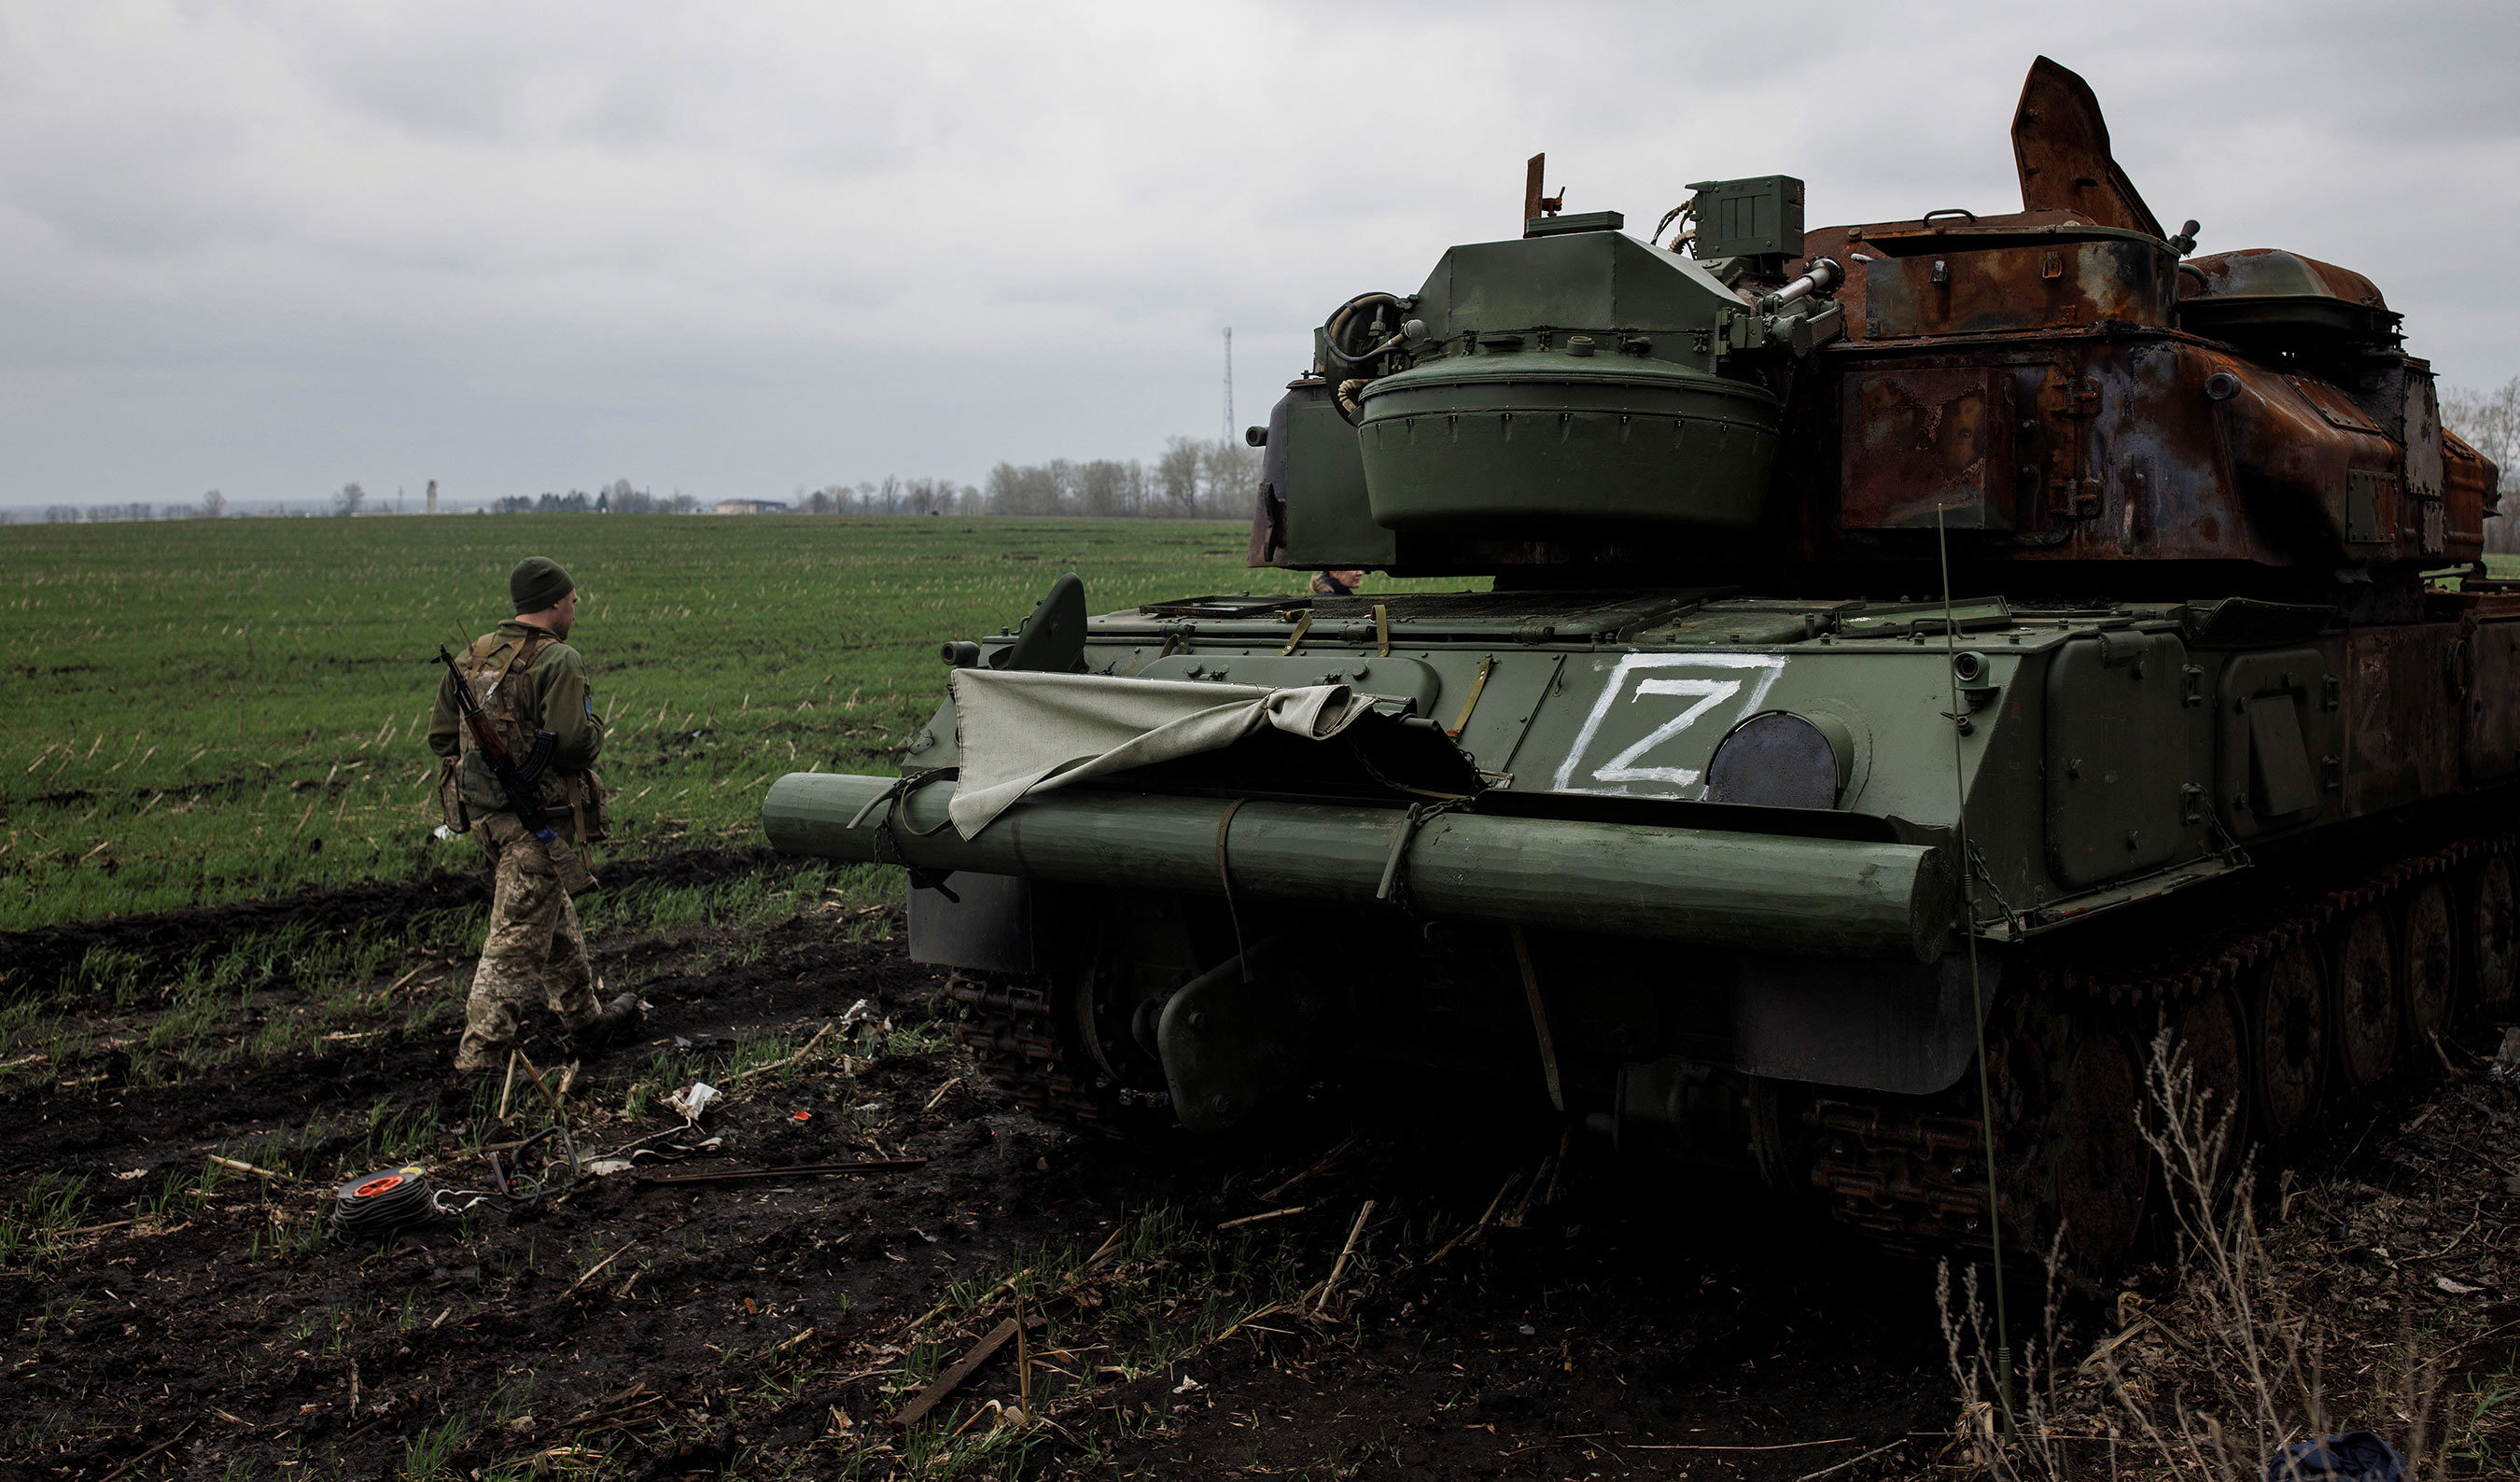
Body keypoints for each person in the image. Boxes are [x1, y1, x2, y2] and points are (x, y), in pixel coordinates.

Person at [428, 556, 637, 1090]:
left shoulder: (476, 653)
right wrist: (594, 730)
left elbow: (440, 738)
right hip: (535, 818)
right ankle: (476, 1066)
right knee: (515, 943)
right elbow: (570, 745)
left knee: (551, 917)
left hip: (487, 821)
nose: (575, 607)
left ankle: (587, 1024)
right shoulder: (558, 660)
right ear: (552, 603)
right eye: (572, 599)